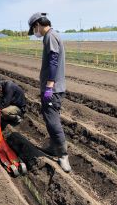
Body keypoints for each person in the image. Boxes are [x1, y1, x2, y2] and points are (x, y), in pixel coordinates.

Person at [28, 12, 71, 172]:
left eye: (34, 29)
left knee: (53, 122)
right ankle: (54, 147)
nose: (35, 33)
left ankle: (63, 155)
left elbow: (53, 59)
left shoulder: (50, 36)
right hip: (54, 88)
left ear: (37, 25)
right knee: (50, 118)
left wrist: (49, 86)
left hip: (52, 90)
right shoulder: (53, 35)